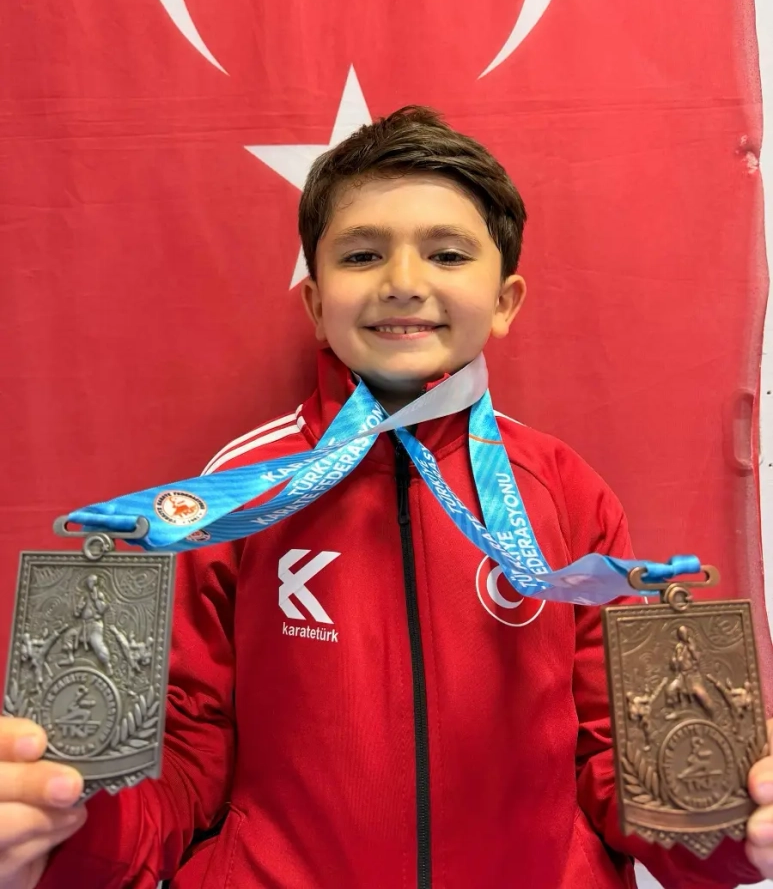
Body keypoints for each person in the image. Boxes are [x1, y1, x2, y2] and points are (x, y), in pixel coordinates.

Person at [1, 107, 772, 888]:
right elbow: (184, 752)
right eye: (363, 254)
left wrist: (728, 825)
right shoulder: (234, 496)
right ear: (315, 302)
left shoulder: (564, 491)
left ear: (504, 301)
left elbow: (616, 758)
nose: (403, 283)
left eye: (447, 254)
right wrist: (67, 829)